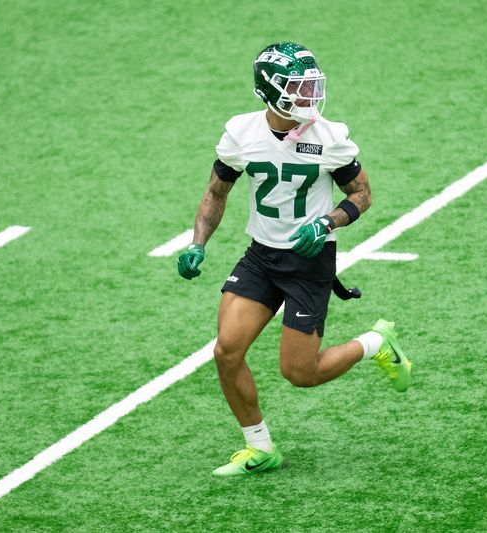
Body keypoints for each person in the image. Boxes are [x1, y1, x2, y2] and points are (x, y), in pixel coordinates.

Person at [177, 42, 412, 476]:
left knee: (300, 373)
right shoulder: (240, 134)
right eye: (297, 89)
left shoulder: (330, 137)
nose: (308, 98)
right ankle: (260, 447)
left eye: (310, 87)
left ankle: (376, 343)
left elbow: (361, 195)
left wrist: (326, 224)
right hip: (261, 257)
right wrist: (198, 243)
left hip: (309, 261)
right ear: (269, 92)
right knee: (227, 352)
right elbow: (216, 192)